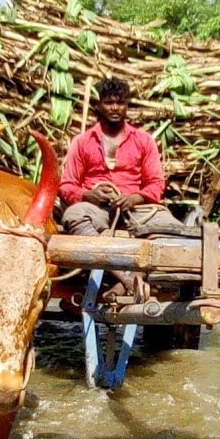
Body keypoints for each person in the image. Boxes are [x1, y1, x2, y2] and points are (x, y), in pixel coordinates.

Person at [60, 77, 181, 298]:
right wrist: (89, 195)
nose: (115, 108)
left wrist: (134, 198)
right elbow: (67, 185)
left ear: (127, 106)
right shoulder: (82, 141)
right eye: (108, 102)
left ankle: (132, 279)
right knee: (74, 215)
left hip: (136, 209)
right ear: (98, 106)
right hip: (96, 210)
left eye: (120, 102)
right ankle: (123, 278)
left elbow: (156, 184)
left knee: (173, 229)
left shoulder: (143, 140)